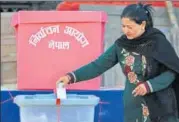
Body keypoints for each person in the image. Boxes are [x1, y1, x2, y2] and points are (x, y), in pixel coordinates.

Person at [56, 3, 179, 122]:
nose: (126, 31)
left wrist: (149, 85)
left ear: (142, 24)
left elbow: (172, 72)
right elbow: (98, 66)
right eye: (123, 26)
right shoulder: (121, 45)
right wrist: (71, 77)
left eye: (130, 27)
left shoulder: (158, 42)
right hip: (133, 106)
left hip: (160, 106)